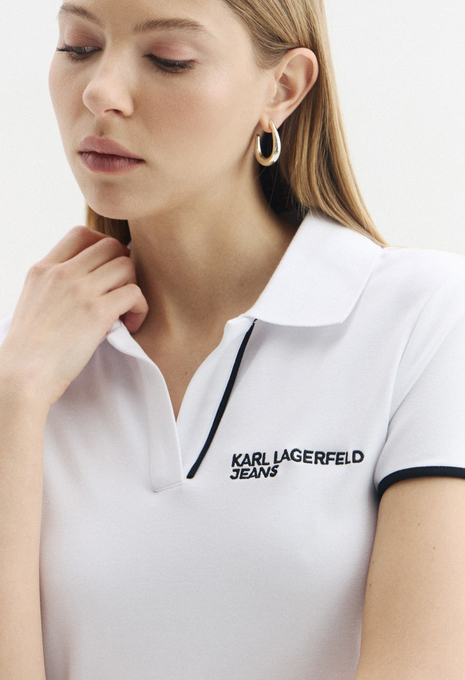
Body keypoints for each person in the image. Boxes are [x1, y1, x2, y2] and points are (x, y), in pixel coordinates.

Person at [1, 0, 465, 678]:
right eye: (78, 45)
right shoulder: (29, 364)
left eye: (169, 60)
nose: (100, 91)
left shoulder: (421, 318)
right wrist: (15, 401)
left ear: (282, 89)